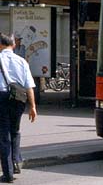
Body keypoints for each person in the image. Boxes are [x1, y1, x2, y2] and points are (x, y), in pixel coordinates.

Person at [0, 33, 37, 183]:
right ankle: (16, 162)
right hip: (19, 98)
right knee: (15, 131)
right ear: (13, 45)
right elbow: (29, 86)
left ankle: (8, 173)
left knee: (4, 135)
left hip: (1, 98)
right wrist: (33, 106)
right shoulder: (21, 61)